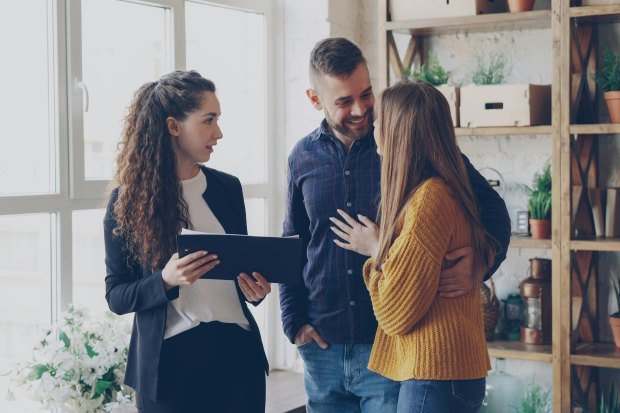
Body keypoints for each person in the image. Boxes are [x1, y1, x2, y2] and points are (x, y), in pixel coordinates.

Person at [279, 37, 511, 412]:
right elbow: (293, 244)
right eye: (343, 101)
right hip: (321, 346)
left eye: (366, 93)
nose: (360, 110)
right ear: (314, 99)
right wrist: (294, 323)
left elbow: (492, 211)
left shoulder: (406, 139)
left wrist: (483, 261)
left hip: (392, 347)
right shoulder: (301, 157)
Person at [104, 70, 270, 413]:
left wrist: (253, 289)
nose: (219, 132)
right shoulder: (128, 201)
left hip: (237, 357)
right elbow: (117, 295)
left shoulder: (228, 188)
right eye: (208, 120)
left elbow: (234, 272)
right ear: (173, 126)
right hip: (171, 368)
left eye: (218, 120)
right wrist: (166, 280)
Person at [331, 80, 495, 412]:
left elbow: (394, 313)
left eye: (379, 122)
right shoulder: (444, 189)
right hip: (448, 375)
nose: (373, 127)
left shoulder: (428, 201)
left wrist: (377, 251)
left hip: (435, 374)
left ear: (398, 133)